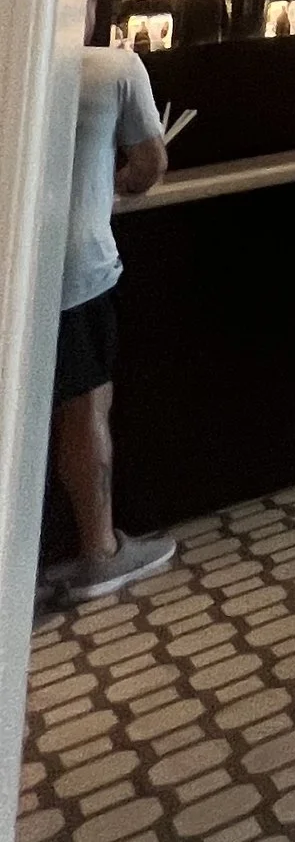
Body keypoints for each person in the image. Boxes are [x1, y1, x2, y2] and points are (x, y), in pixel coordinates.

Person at [43, 35, 178, 606]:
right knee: (85, 408)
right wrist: (116, 183)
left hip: (19, 273)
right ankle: (100, 551)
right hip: (79, 269)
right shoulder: (115, 66)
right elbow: (149, 164)